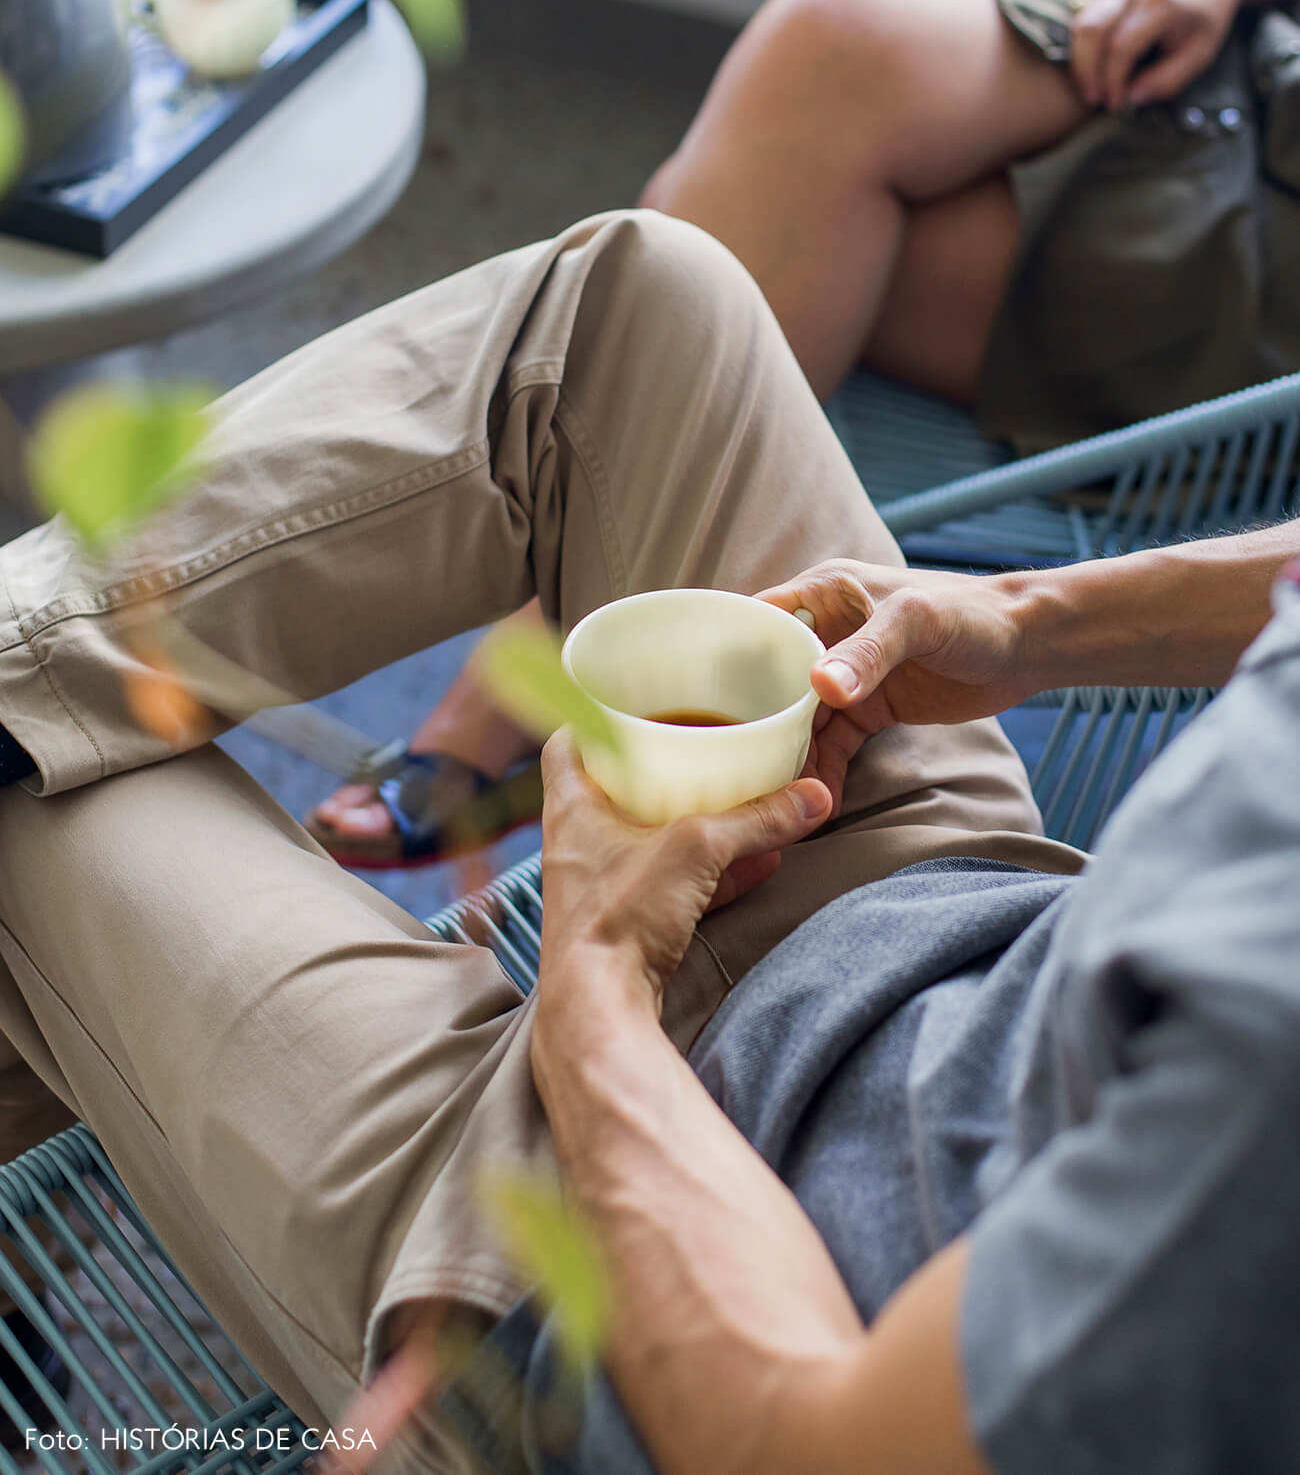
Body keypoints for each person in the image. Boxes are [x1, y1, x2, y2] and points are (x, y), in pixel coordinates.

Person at [0, 210, 1297, 1474]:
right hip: (953, 951)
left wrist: (603, 977)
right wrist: (1027, 621)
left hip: (610, 1300)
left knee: (24, 794)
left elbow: (809, 1448)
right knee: (630, 308)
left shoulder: (1258, 1122)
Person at [308, 0, 1300, 865]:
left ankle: (523, 669)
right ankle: (573, 650)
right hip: (1258, 45)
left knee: (718, 237)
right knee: (832, 47)